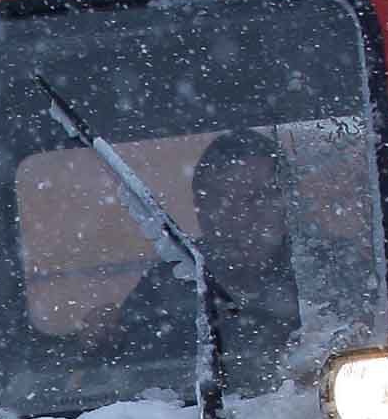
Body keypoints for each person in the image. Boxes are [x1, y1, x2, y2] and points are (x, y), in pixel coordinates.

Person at [108, 127, 308, 396]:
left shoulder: (326, 270)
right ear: (201, 209)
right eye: (222, 201)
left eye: (257, 198)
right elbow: (130, 377)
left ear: (288, 202)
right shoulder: (169, 281)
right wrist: (105, 340)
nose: (240, 217)